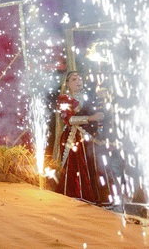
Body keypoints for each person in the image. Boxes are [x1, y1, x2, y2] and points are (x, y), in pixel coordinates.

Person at [55, 71, 109, 203]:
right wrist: (91, 118)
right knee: (78, 168)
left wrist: (103, 100)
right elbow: (70, 119)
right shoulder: (64, 99)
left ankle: (98, 198)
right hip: (74, 137)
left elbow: (101, 114)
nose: (78, 81)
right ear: (67, 84)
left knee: (95, 166)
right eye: (74, 79)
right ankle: (79, 196)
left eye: (79, 78)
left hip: (91, 137)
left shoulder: (89, 96)